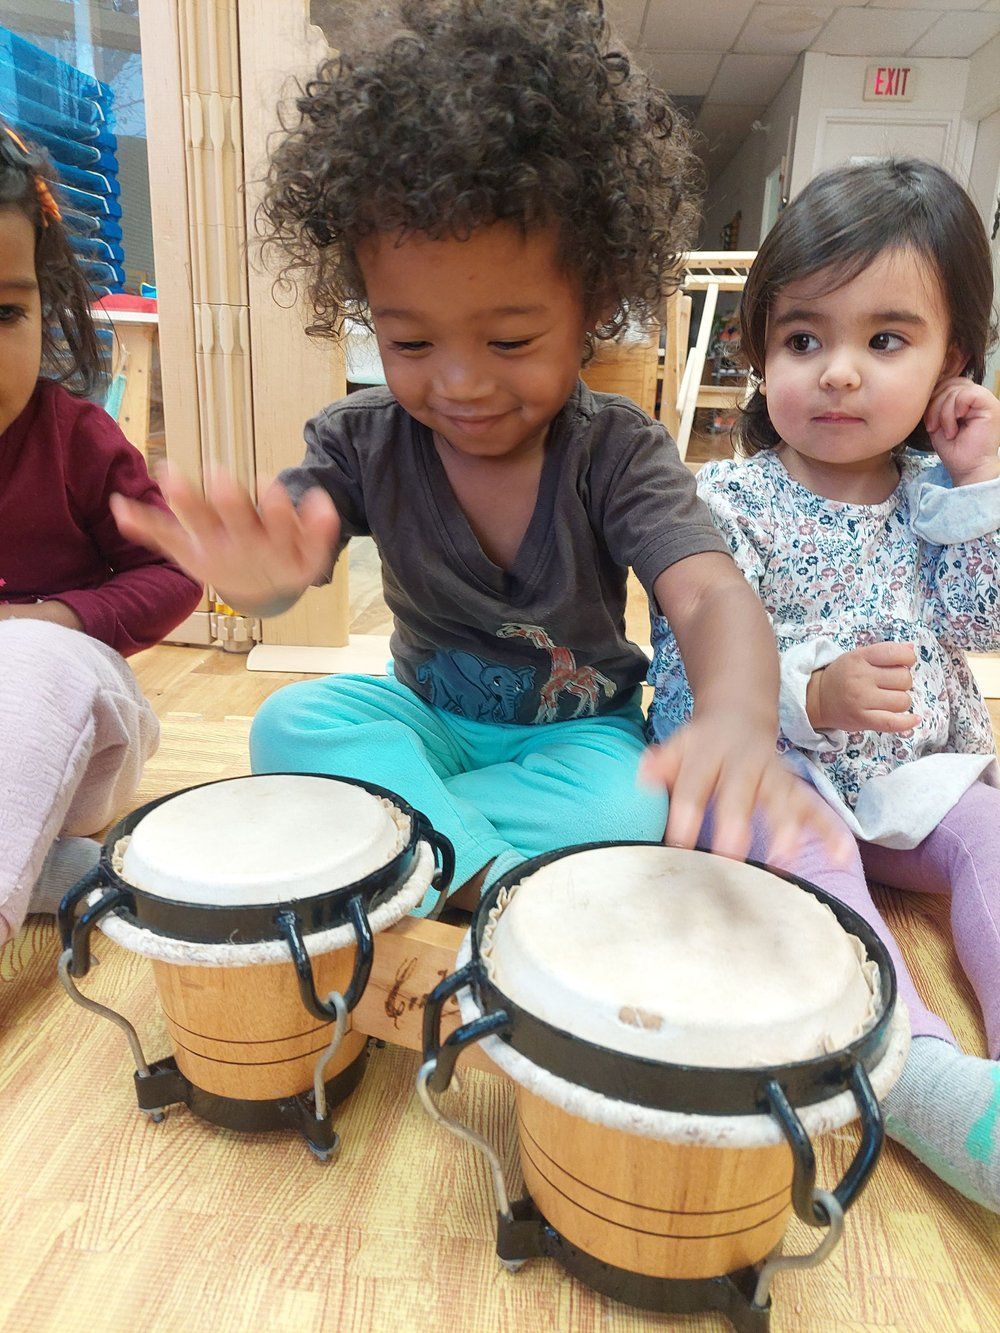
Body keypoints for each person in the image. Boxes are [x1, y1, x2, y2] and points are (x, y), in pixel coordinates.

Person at [113, 0, 837, 920]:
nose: (459, 384)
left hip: (578, 741)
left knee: (637, 798)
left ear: (595, 301)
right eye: (410, 343)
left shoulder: (617, 450)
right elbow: (286, 554)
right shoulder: (358, 439)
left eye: (508, 341)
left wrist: (736, 715)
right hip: (421, 724)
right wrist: (260, 581)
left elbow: (706, 593)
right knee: (292, 721)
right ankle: (498, 876)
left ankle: (411, 850)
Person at [649, 159, 1000, 1210]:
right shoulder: (727, 498)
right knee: (812, 867)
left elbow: (984, 619)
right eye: (805, 339)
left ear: (955, 366)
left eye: (884, 340)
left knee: (992, 838)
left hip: (921, 771)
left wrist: (980, 482)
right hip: (789, 775)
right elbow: (687, 679)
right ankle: (923, 1076)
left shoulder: (939, 495)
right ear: (760, 356)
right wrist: (810, 695)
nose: (838, 371)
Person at [0, 123, 202, 944]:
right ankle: (58, 868)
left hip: (78, 724)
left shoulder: (74, 436)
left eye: (4, 309)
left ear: (46, 307)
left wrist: (66, 618)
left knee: (30, 658)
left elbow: (177, 572)